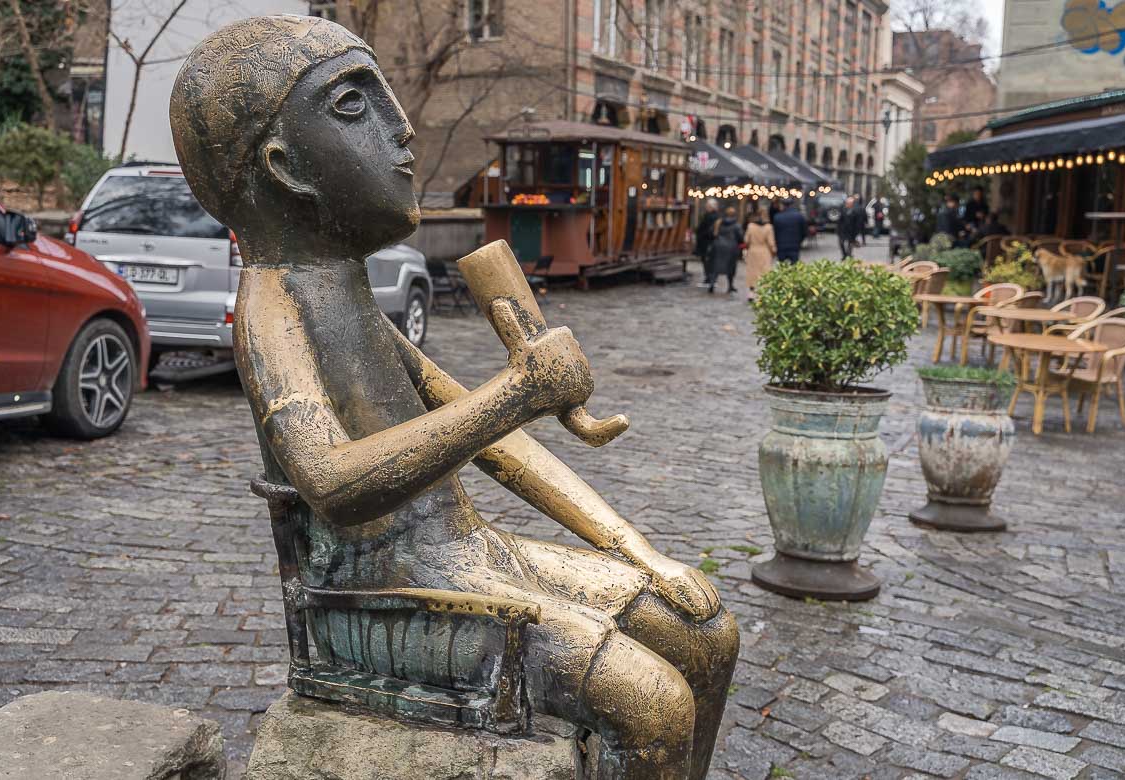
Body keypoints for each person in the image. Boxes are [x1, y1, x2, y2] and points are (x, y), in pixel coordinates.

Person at [170, 15, 738, 780]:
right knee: (654, 703)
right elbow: (333, 482)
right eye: (354, 106)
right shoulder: (274, 306)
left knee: (706, 633)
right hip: (375, 603)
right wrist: (517, 392)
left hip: (467, 558)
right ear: (284, 165)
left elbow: (499, 447)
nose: (401, 128)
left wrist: (638, 552)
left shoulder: (352, 299)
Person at [708, 205, 744, 294]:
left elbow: (711, 233)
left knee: (715, 266)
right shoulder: (736, 225)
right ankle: (730, 285)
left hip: (718, 246)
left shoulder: (718, 223)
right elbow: (740, 237)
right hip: (731, 247)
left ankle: (712, 284)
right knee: (730, 268)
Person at [743, 209, 776, 300]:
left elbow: (746, 240)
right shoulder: (768, 227)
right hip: (764, 251)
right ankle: (764, 291)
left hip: (753, 250)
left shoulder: (751, 226)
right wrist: (773, 250)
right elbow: (771, 242)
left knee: (752, 271)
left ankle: (751, 292)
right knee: (765, 271)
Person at [772, 198, 809, 264]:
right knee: (794, 267)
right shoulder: (799, 216)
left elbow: (775, 233)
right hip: (795, 246)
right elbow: (804, 231)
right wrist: (799, 241)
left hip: (781, 246)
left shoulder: (777, 217)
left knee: (782, 267)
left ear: (783, 205)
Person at [694, 199, 720, 287]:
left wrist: (701, 234)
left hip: (707, 242)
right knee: (709, 261)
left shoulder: (710, 216)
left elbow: (706, 229)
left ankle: (709, 279)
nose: (706, 207)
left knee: (707, 261)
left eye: (707, 206)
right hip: (709, 242)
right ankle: (711, 278)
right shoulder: (716, 216)